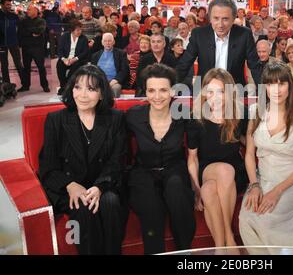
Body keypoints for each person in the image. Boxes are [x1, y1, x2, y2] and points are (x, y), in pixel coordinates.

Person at [38, 64, 126, 254]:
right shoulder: (56, 119)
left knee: (110, 202)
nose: (83, 95)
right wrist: (70, 185)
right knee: (82, 208)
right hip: (67, 187)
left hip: (103, 183)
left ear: (102, 94)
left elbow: (117, 160)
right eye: (78, 87)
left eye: (91, 89)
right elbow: (48, 164)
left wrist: (100, 187)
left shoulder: (115, 118)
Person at [239, 62, 293, 250]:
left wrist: (277, 192)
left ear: (290, 85)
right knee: (246, 219)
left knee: (268, 221)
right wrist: (254, 185)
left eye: (281, 84)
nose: (276, 90)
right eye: (270, 84)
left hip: (290, 182)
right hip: (262, 178)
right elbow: (250, 154)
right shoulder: (256, 112)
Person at [126, 64, 196, 254]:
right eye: (151, 90)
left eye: (163, 90)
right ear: (145, 92)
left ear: (173, 90)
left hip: (174, 169)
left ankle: (184, 252)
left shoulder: (184, 113)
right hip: (143, 172)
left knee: (177, 191)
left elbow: (193, 154)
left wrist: (197, 188)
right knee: (150, 204)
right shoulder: (133, 116)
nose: (157, 96)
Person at [187, 68, 248, 247]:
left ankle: (220, 248)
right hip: (208, 168)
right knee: (219, 173)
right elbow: (192, 158)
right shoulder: (196, 117)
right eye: (210, 91)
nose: (215, 97)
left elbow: (248, 143)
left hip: (235, 171)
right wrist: (196, 190)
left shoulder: (239, 113)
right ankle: (230, 240)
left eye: (221, 91)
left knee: (209, 190)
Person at [176, 0, 260, 88]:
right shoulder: (199, 34)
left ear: (233, 19)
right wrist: (171, 86)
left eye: (225, 19)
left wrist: (264, 92)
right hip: (205, 90)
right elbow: (184, 64)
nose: (220, 25)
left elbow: (255, 67)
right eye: (216, 18)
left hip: (234, 90)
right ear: (210, 18)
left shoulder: (244, 34)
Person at [17, 5, 50, 92]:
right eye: (27, 9)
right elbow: (21, 32)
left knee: (41, 67)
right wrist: (32, 32)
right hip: (26, 47)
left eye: (29, 9)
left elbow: (40, 30)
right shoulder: (23, 21)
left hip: (37, 47)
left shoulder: (41, 21)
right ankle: (25, 86)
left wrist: (29, 31)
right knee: (26, 68)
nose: (27, 11)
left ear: (35, 11)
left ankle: (44, 85)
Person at [91, 33, 130, 98]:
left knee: (116, 88)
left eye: (109, 41)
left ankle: (113, 107)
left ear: (113, 42)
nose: (107, 43)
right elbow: (93, 71)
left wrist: (115, 80)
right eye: (105, 41)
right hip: (99, 81)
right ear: (102, 42)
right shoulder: (95, 55)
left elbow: (124, 70)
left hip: (114, 81)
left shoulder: (121, 53)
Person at [56, 20, 89, 95]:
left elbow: (85, 52)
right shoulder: (65, 36)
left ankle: (67, 86)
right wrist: (64, 59)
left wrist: (75, 59)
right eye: (78, 30)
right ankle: (63, 85)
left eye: (81, 29)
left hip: (77, 59)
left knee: (76, 66)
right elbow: (59, 50)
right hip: (66, 58)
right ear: (72, 30)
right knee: (59, 65)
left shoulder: (83, 38)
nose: (80, 31)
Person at [0, 0, 24, 87]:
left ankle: (24, 83)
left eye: (10, 4)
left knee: (18, 63)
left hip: (14, 42)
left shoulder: (13, 16)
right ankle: (7, 85)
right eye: (7, 4)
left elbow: (20, 28)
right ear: (2, 5)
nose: (9, 6)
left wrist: (18, 39)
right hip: (2, 44)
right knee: (4, 65)